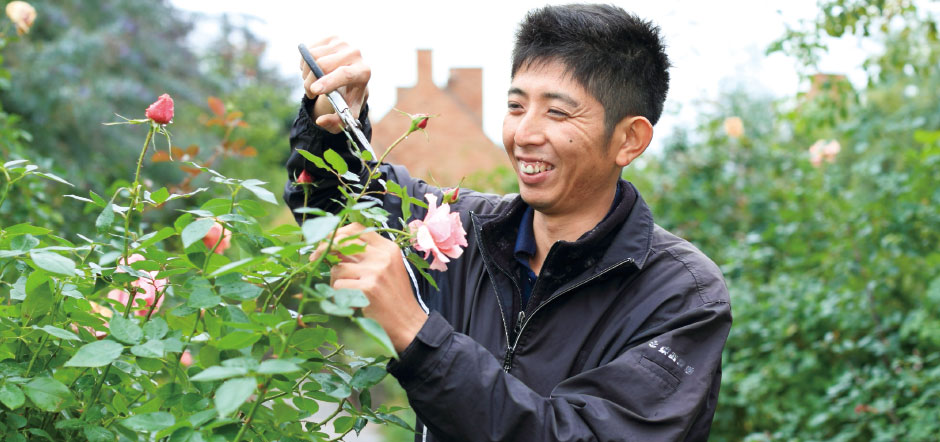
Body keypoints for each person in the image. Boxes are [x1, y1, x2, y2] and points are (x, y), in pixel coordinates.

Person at [284, 4, 732, 441]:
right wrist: (332, 124)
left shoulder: (682, 295)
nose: (524, 134)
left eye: (557, 112)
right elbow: (332, 206)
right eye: (516, 107)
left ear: (629, 139)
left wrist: (417, 334)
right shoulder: (458, 229)